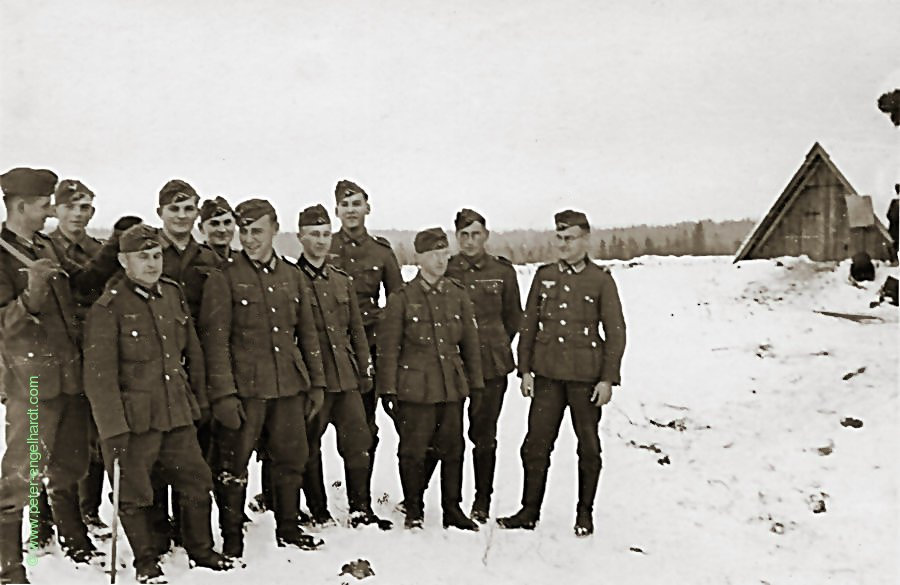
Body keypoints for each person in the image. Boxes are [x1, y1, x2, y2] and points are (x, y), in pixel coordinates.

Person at [0, 168, 129, 582]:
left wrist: (114, 246)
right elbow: (5, 326)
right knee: (22, 473)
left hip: (69, 380)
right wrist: (32, 293)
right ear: (20, 206)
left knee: (70, 467)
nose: (49, 215)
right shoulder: (2, 255)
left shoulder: (44, 247)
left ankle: (69, 535)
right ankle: (9, 566)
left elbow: (82, 285)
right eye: (42, 207)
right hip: (32, 386)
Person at [83, 223, 231, 583]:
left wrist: (199, 401)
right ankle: (145, 561)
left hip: (176, 412)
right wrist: (113, 430)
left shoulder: (172, 294)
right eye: (142, 257)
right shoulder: (108, 307)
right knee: (135, 494)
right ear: (123, 260)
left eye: (155, 255)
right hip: (135, 420)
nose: (151, 264)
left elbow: (191, 351)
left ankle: (201, 550)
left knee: (197, 481)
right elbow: (99, 378)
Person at [199, 199, 327, 558]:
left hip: (288, 386)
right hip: (245, 391)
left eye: (257, 230)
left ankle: (288, 528)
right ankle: (233, 540)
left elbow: (309, 336)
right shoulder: (224, 278)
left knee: (291, 459)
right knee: (233, 467)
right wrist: (224, 395)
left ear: (275, 229)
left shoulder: (292, 276)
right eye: (245, 231)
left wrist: (316, 383)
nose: (250, 239)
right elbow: (216, 342)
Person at [497, 210, 626, 537]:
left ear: (585, 240)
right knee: (535, 445)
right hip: (548, 376)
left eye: (569, 239)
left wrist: (608, 378)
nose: (563, 245)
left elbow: (616, 331)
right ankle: (528, 511)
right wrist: (524, 369)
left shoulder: (600, 280)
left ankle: (585, 514)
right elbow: (528, 326)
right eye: (559, 238)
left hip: (586, 379)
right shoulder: (544, 276)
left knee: (588, 447)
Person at [376, 227, 484, 530]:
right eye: (434, 254)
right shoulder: (402, 298)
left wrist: (475, 385)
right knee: (413, 451)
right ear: (419, 258)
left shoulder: (457, 295)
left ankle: (453, 508)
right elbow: (388, 350)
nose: (441, 260)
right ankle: (414, 508)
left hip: (450, 386)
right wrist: (389, 390)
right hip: (415, 390)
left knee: (453, 449)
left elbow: (470, 345)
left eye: (444, 253)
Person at [294, 204, 392, 530]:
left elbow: (356, 332)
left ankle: (361, 508)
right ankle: (318, 510)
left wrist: (364, 369)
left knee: (358, 441)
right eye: (313, 235)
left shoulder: (341, 281)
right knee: (309, 446)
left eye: (324, 234)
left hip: (346, 376)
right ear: (300, 237)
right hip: (313, 380)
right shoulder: (292, 281)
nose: (320, 241)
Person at [152, 179, 223, 552]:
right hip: (155, 363)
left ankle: (189, 529)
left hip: (196, 364)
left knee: (196, 448)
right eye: (173, 209)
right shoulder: (148, 252)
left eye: (188, 209)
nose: (181, 216)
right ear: (159, 213)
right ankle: (158, 533)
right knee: (156, 451)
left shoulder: (208, 259)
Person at [442, 208, 522, 523]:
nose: (470, 240)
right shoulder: (447, 271)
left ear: (485, 236)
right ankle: (452, 501)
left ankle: (482, 500)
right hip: (454, 366)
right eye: (464, 235)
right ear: (456, 238)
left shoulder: (502, 272)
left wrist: (495, 346)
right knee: (449, 435)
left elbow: (514, 318)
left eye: (476, 234)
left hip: (491, 366)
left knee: (484, 435)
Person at [328, 180, 403, 484]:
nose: (351, 210)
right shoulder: (325, 245)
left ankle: (361, 493)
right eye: (345, 205)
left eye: (356, 204)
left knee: (364, 424)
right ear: (336, 210)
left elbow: (397, 300)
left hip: (368, 349)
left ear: (367, 208)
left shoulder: (381, 252)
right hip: (330, 346)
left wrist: (379, 328)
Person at [47, 179, 108, 535]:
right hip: (54, 359)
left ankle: (89, 510)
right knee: (50, 444)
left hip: (92, 355)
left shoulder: (99, 251)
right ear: (55, 210)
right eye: (70, 206)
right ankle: (43, 523)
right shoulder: (44, 248)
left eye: (84, 207)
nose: (78, 214)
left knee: (95, 436)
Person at [198, 196, 237, 264]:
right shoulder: (192, 261)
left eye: (227, 223)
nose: (222, 230)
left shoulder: (244, 262)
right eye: (214, 224)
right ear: (201, 228)